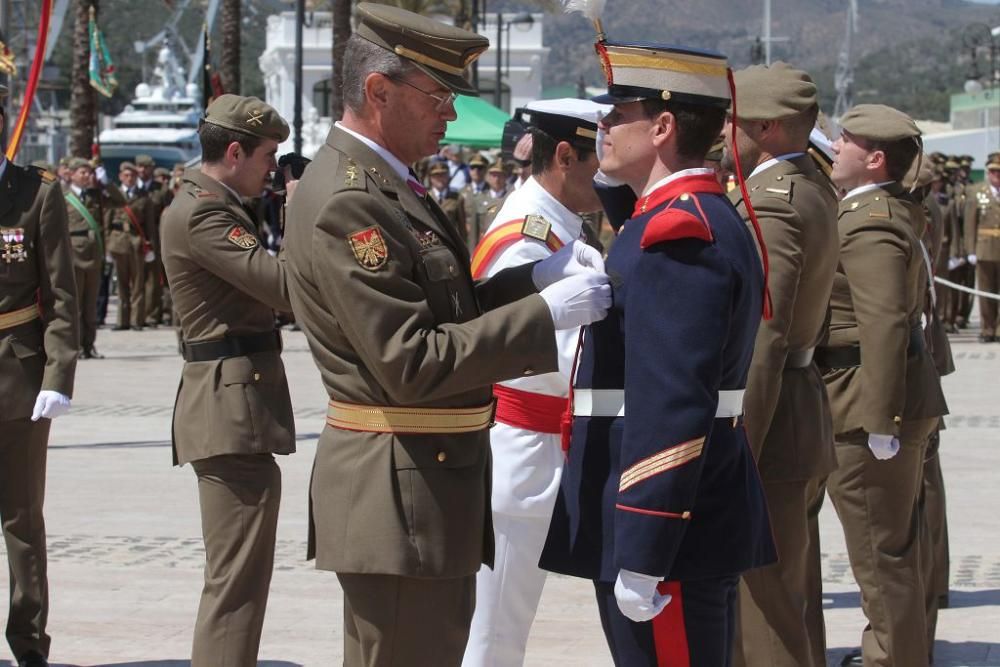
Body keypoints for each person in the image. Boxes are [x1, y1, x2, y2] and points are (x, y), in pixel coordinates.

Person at [282, 5, 611, 664]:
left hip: (424, 479)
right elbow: (412, 358)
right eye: (438, 97)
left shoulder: (389, 182)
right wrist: (546, 313)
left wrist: (531, 282)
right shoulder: (354, 200)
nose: (452, 116)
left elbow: (447, 308)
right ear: (379, 91)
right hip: (399, 487)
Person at [540, 38, 776, 666]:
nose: (601, 126)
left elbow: (673, 401)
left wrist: (645, 543)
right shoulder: (677, 217)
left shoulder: (679, 234)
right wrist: (616, 168)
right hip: (678, 514)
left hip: (668, 523)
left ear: (664, 126)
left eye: (617, 116)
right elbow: (631, 218)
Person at [463, 97, 608, 667]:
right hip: (522, 453)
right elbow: (542, 355)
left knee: (502, 630)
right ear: (566, 155)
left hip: (539, 451)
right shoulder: (528, 238)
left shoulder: (558, 225)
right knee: (494, 634)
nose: (610, 172)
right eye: (601, 157)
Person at [160, 94, 295, 667]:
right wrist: (303, 216)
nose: (273, 168)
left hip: (235, 403)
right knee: (234, 586)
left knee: (239, 579)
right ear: (234, 151)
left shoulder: (212, 204)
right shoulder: (204, 213)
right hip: (229, 407)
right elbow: (284, 286)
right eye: (268, 156)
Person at [815, 105, 948, 667]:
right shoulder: (889, 208)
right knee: (900, 551)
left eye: (846, 140)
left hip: (866, 402)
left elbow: (886, 322)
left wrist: (880, 419)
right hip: (887, 397)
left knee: (880, 555)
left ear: (873, 159)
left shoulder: (869, 220)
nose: (835, 148)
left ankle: (892, 658)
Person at [721, 63, 840, 667]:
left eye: (732, 119)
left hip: (771, 424)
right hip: (798, 409)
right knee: (789, 600)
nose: (723, 131)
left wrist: (742, 445)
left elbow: (767, 335)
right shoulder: (809, 186)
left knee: (762, 609)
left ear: (765, 127)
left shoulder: (773, 203)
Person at [0, 83, 80, 667]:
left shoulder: (33, 194)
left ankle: (28, 644)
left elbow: (62, 298)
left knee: (21, 518)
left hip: (16, 374)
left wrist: (58, 374)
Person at [63, 157, 125, 359]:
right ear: (71, 174)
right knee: (76, 306)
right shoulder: (62, 196)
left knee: (90, 305)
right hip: (73, 256)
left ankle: (89, 345)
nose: (87, 176)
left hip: (93, 255)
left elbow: (121, 201)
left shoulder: (96, 195)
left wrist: (106, 182)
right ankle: (77, 346)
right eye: (82, 172)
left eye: (89, 173)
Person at [104, 161, 154, 331]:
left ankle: (136, 320)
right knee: (122, 284)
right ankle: (122, 320)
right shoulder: (114, 197)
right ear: (120, 177)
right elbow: (107, 223)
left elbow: (150, 225)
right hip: (118, 242)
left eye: (132, 175)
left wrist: (151, 246)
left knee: (138, 283)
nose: (129, 178)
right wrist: (106, 247)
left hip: (136, 242)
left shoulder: (143, 197)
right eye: (126, 175)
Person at [962, 153, 1000, 342]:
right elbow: (970, 224)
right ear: (988, 172)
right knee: (985, 292)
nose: (997, 175)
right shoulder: (977, 192)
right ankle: (987, 328)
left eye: (999, 171)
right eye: (993, 171)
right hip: (984, 249)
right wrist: (970, 250)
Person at [135, 154, 168, 328]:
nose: (142, 170)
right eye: (139, 167)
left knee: (154, 280)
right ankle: (137, 316)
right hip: (136, 236)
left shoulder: (160, 189)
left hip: (156, 236)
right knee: (137, 278)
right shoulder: (132, 188)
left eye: (145, 167)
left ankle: (153, 315)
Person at [427, 160, 469, 243]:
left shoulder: (457, 198)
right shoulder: (424, 197)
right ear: (431, 178)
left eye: (443, 175)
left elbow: (462, 227)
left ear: (448, 176)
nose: (440, 179)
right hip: (431, 243)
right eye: (436, 175)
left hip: (450, 243)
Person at [462, 152, 491, 243]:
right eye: (473, 167)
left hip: (486, 237)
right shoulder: (462, 192)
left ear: (486, 170)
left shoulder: (492, 191)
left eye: (480, 168)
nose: (476, 171)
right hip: (466, 237)